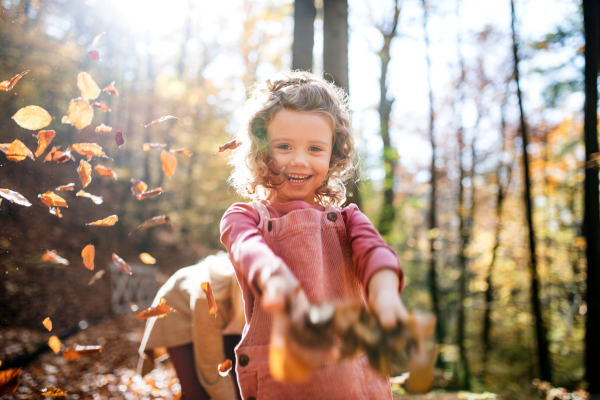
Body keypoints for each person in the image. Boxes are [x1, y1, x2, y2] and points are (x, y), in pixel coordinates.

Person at [220, 71, 409, 400]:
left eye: (315, 149)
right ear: (261, 150)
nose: (299, 160)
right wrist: (274, 278)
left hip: (354, 379)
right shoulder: (245, 217)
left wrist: (384, 291)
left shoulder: (348, 219)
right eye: (284, 146)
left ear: (333, 155)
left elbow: (374, 252)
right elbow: (246, 249)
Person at [138, 252, 245, 400]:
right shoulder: (209, 297)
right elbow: (211, 367)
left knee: (237, 383)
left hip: (218, 314)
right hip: (175, 311)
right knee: (197, 393)